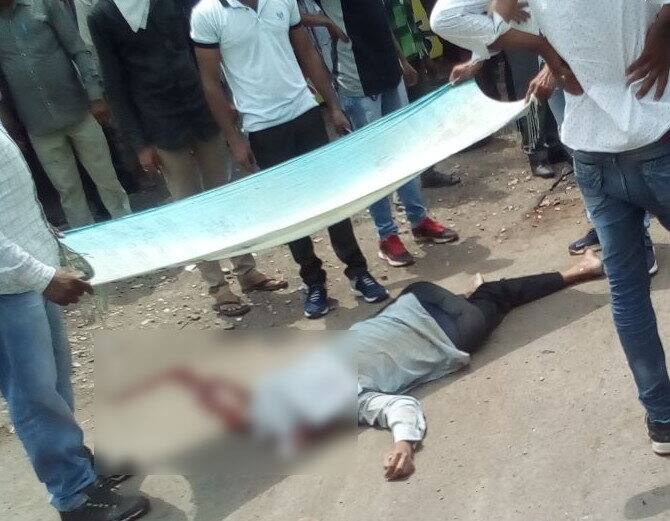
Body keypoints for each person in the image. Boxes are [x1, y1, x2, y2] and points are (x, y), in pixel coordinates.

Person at [125, 251, 605, 481]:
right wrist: (404, 443)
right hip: (442, 326)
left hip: (426, 311)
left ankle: (501, 289)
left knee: (478, 296)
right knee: (495, 297)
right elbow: (399, 409)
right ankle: (570, 272)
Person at [458, 0, 670, 454]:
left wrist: (540, 45)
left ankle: (663, 420)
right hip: (656, 137)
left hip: (591, 151)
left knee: (627, 291)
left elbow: (448, 17)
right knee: (627, 292)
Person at [87, 0, 287, 317]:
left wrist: (223, 98)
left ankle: (246, 270)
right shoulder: (103, 16)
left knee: (226, 195)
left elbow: (202, 48)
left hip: (201, 107)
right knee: (189, 208)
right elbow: (115, 85)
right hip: (159, 122)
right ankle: (218, 287)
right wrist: (140, 144)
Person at [191, 0, 389, 319]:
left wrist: (333, 105)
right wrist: (235, 139)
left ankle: (358, 272)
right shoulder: (208, 14)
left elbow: (307, 52)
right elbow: (211, 83)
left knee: (332, 200)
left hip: (304, 111)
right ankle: (314, 283)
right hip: (262, 126)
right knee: (292, 212)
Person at [0, 123, 149, 521]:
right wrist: (43, 277)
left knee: (54, 383)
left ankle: (76, 464)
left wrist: (43, 236)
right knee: (33, 396)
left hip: (26, 273)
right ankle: (74, 495)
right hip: (8, 289)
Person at [304, 0, 460, 268]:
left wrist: (402, 61)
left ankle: (419, 220)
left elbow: (380, 19)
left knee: (405, 153)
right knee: (375, 164)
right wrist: (324, 21)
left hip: (390, 73)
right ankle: (387, 236)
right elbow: (289, 14)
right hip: (357, 85)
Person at [0, 0, 131, 229]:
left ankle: (130, 228)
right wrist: (11, 124)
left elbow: (78, 48)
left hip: (78, 111)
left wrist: (95, 94)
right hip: (38, 125)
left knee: (107, 179)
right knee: (68, 193)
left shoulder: (43, 4)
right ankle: (87, 244)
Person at [429, 0, 563, 178]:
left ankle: (554, 145)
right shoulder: (446, 16)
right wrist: (478, 59)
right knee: (527, 87)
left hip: (536, 21)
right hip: (517, 24)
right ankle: (536, 154)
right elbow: (491, 26)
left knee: (550, 84)